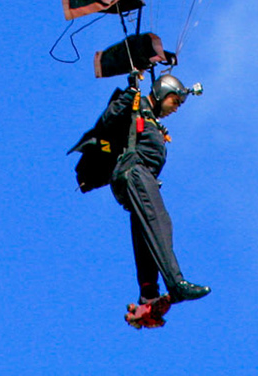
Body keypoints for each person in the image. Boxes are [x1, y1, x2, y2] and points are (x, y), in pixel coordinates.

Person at [74, 71, 210, 325]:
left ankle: (148, 295)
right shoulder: (134, 105)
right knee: (159, 221)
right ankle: (176, 282)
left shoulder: (150, 118)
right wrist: (130, 92)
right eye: (175, 102)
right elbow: (107, 120)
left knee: (145, 229)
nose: (176, 109)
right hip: (134, 172)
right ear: (162, 93)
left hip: (139, 178)